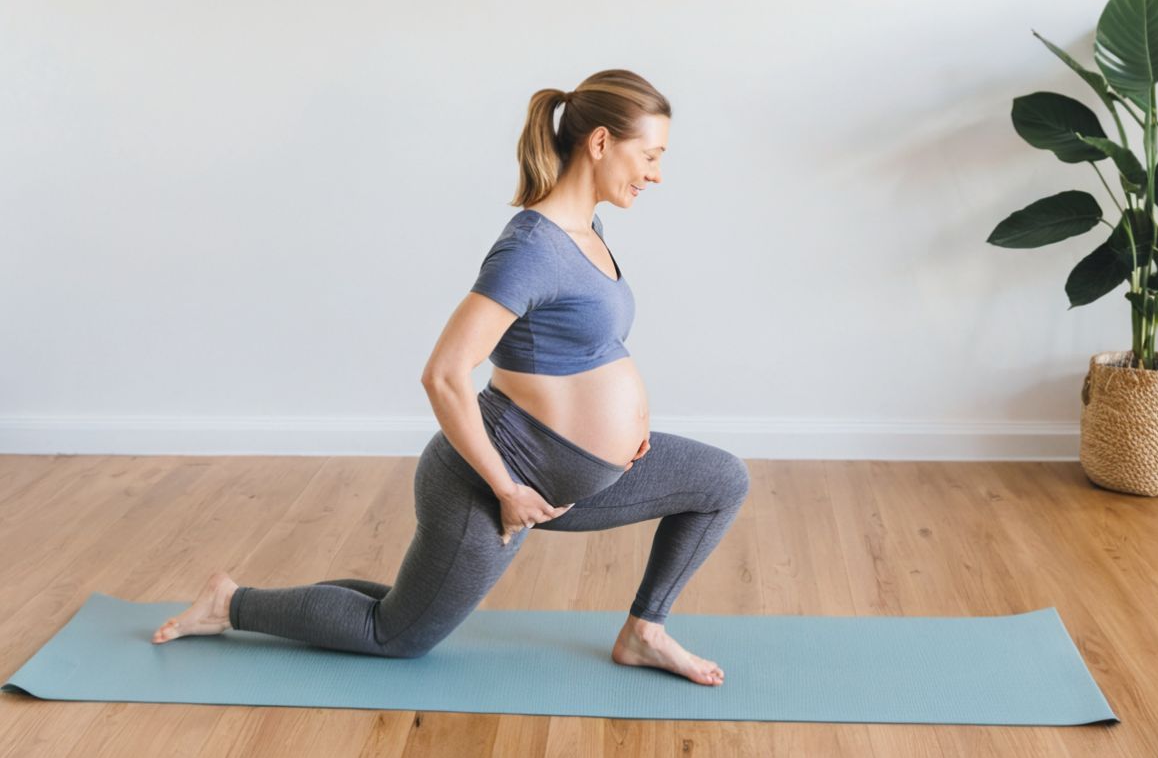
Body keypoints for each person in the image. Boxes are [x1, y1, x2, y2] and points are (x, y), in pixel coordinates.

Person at [151, 68, 750, 687]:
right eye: (649, 155)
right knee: (398, 634)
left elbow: (587, 353)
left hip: (569, 480)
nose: (656, 173)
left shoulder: (589, 231)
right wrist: (507, 489)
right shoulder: (531, 248)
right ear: (600, 143)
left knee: (721, 480)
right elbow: (443, 374)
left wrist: (627, 433)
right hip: (493, 485)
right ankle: (230, 603)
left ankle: (644, 631)